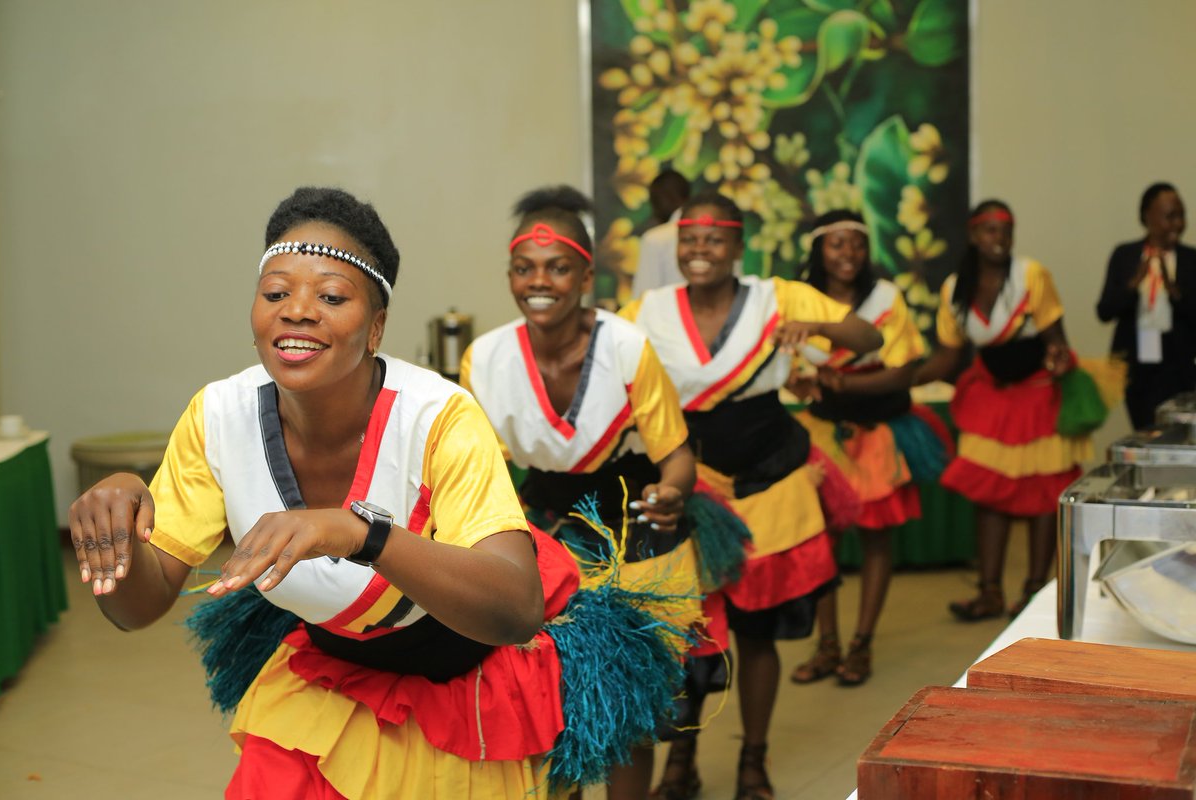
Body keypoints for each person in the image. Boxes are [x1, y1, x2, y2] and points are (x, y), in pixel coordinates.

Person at [68, 186, 594, 799]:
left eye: (331, 296)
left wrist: (359, 533)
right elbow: (138, 607)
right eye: (276, 293)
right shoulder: (218, 416)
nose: (297, 310)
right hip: (335, 669)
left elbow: (515, 609)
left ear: (376, 328)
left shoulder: (438, 415)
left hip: (460, 678)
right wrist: (123, 523)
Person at [461, 186, 728, 800]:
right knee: (548, 698)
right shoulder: (486, 358)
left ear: (585, 273)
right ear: (508, 275)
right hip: (543, 537)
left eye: (557, 267)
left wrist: (672, 492)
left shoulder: (626, 347)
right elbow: (476, 470)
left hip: (630, 533)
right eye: (524, 268)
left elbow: (676, 454)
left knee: (626, 708)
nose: (540, 281)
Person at [622, 191, 882, 800]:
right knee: (684, 629)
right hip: (689, 485)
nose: (700, 251)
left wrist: (816, 326)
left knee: (757, 631)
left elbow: (868, 338)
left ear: (739, 247)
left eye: (714, 240)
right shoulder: (646, 310)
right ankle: (681, 763)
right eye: (690, 239)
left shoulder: (777, 296)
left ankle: (753, 762)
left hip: (769, 477)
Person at [787, 210, 943, 687]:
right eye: (836, 244)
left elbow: (902, 372)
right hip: (822, 433)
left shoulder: (885, 298)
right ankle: (827, 643)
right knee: (820, 539)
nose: (847, 254)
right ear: (818, 250)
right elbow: (790, 370)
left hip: (876, 431)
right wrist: (802, 384)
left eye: (855, 243)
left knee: (876, 538)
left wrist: (842, 386)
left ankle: (861, 643)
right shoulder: (801, 298)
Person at [916, 200, 1091, 621]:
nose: (1000, 238)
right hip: (992, 398)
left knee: (1044, 492)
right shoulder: (955, 289)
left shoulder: (1030, 275)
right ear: (974, 236)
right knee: (988, 494)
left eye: (1006, 230)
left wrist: (1059, 358)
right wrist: (901, 379)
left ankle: (1034, 593)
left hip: (1037, 395)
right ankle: (990, 592)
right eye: (990, 230)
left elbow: (1056, 340)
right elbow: (946, 356)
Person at [1096, 182, 1196, 429]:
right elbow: (1104, 311)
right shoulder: (1125, 255)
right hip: (1137, 367)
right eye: (1169, 216)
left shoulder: (1191, 259)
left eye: (1181, 215)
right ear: (1146, 216)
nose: (1177, 223)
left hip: (1180, 366)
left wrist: (1174, 290)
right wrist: (1134, 282)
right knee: (1145, 433)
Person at [632, 170, 690, 297]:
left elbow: (643, 299)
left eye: (654, 202)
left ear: (668, 198)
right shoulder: (721, 234)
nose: (654, 210)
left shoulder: (655, 239)